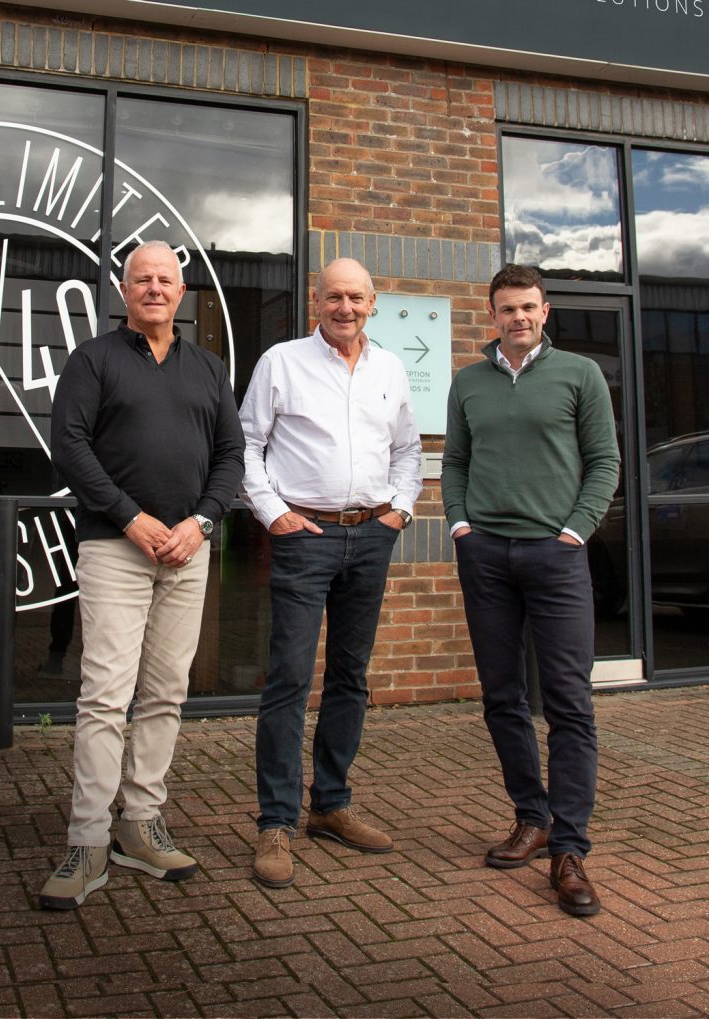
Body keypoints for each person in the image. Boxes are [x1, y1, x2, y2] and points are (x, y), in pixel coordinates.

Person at [39, 239, 245, 910]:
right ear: (125, 290)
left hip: (187, 551)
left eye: (166, 279)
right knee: (104, 694)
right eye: (141, 278)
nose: (154, 288)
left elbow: (231, 455)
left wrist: (202, 521)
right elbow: (68, 445)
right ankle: (87, 837)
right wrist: (130, 517)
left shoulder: (209, 369)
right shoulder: (93, 360)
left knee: (163, 692)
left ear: (181, 293)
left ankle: (140, 822)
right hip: (115, 547)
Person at [441, 263, 620, 917]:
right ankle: (531, 815)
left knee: (570, 703)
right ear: (492, 315)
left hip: (557, 556)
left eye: (529, 307)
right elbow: (455, 459)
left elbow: (605, 460)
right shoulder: (468, 382)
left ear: (546, 312)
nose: (519, 317)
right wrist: (460, 523)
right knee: (502, 696)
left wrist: (574, 531)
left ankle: (569, 849)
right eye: (507, 308)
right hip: (485, 555)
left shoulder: (580, 375)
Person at [239, 257, 422, 888]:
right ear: (315, 301)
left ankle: (331, 805)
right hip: (304, 538)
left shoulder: (391, 369)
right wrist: (274, 514)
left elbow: (407, 448)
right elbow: (248, 446)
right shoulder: (281, 362)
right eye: (333, 297)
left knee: (350, 675)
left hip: (371, 536)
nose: (344, 307)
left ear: (374, 302)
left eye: (356, 297)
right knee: (288, 677)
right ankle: (276, 822)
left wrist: (399, 510)